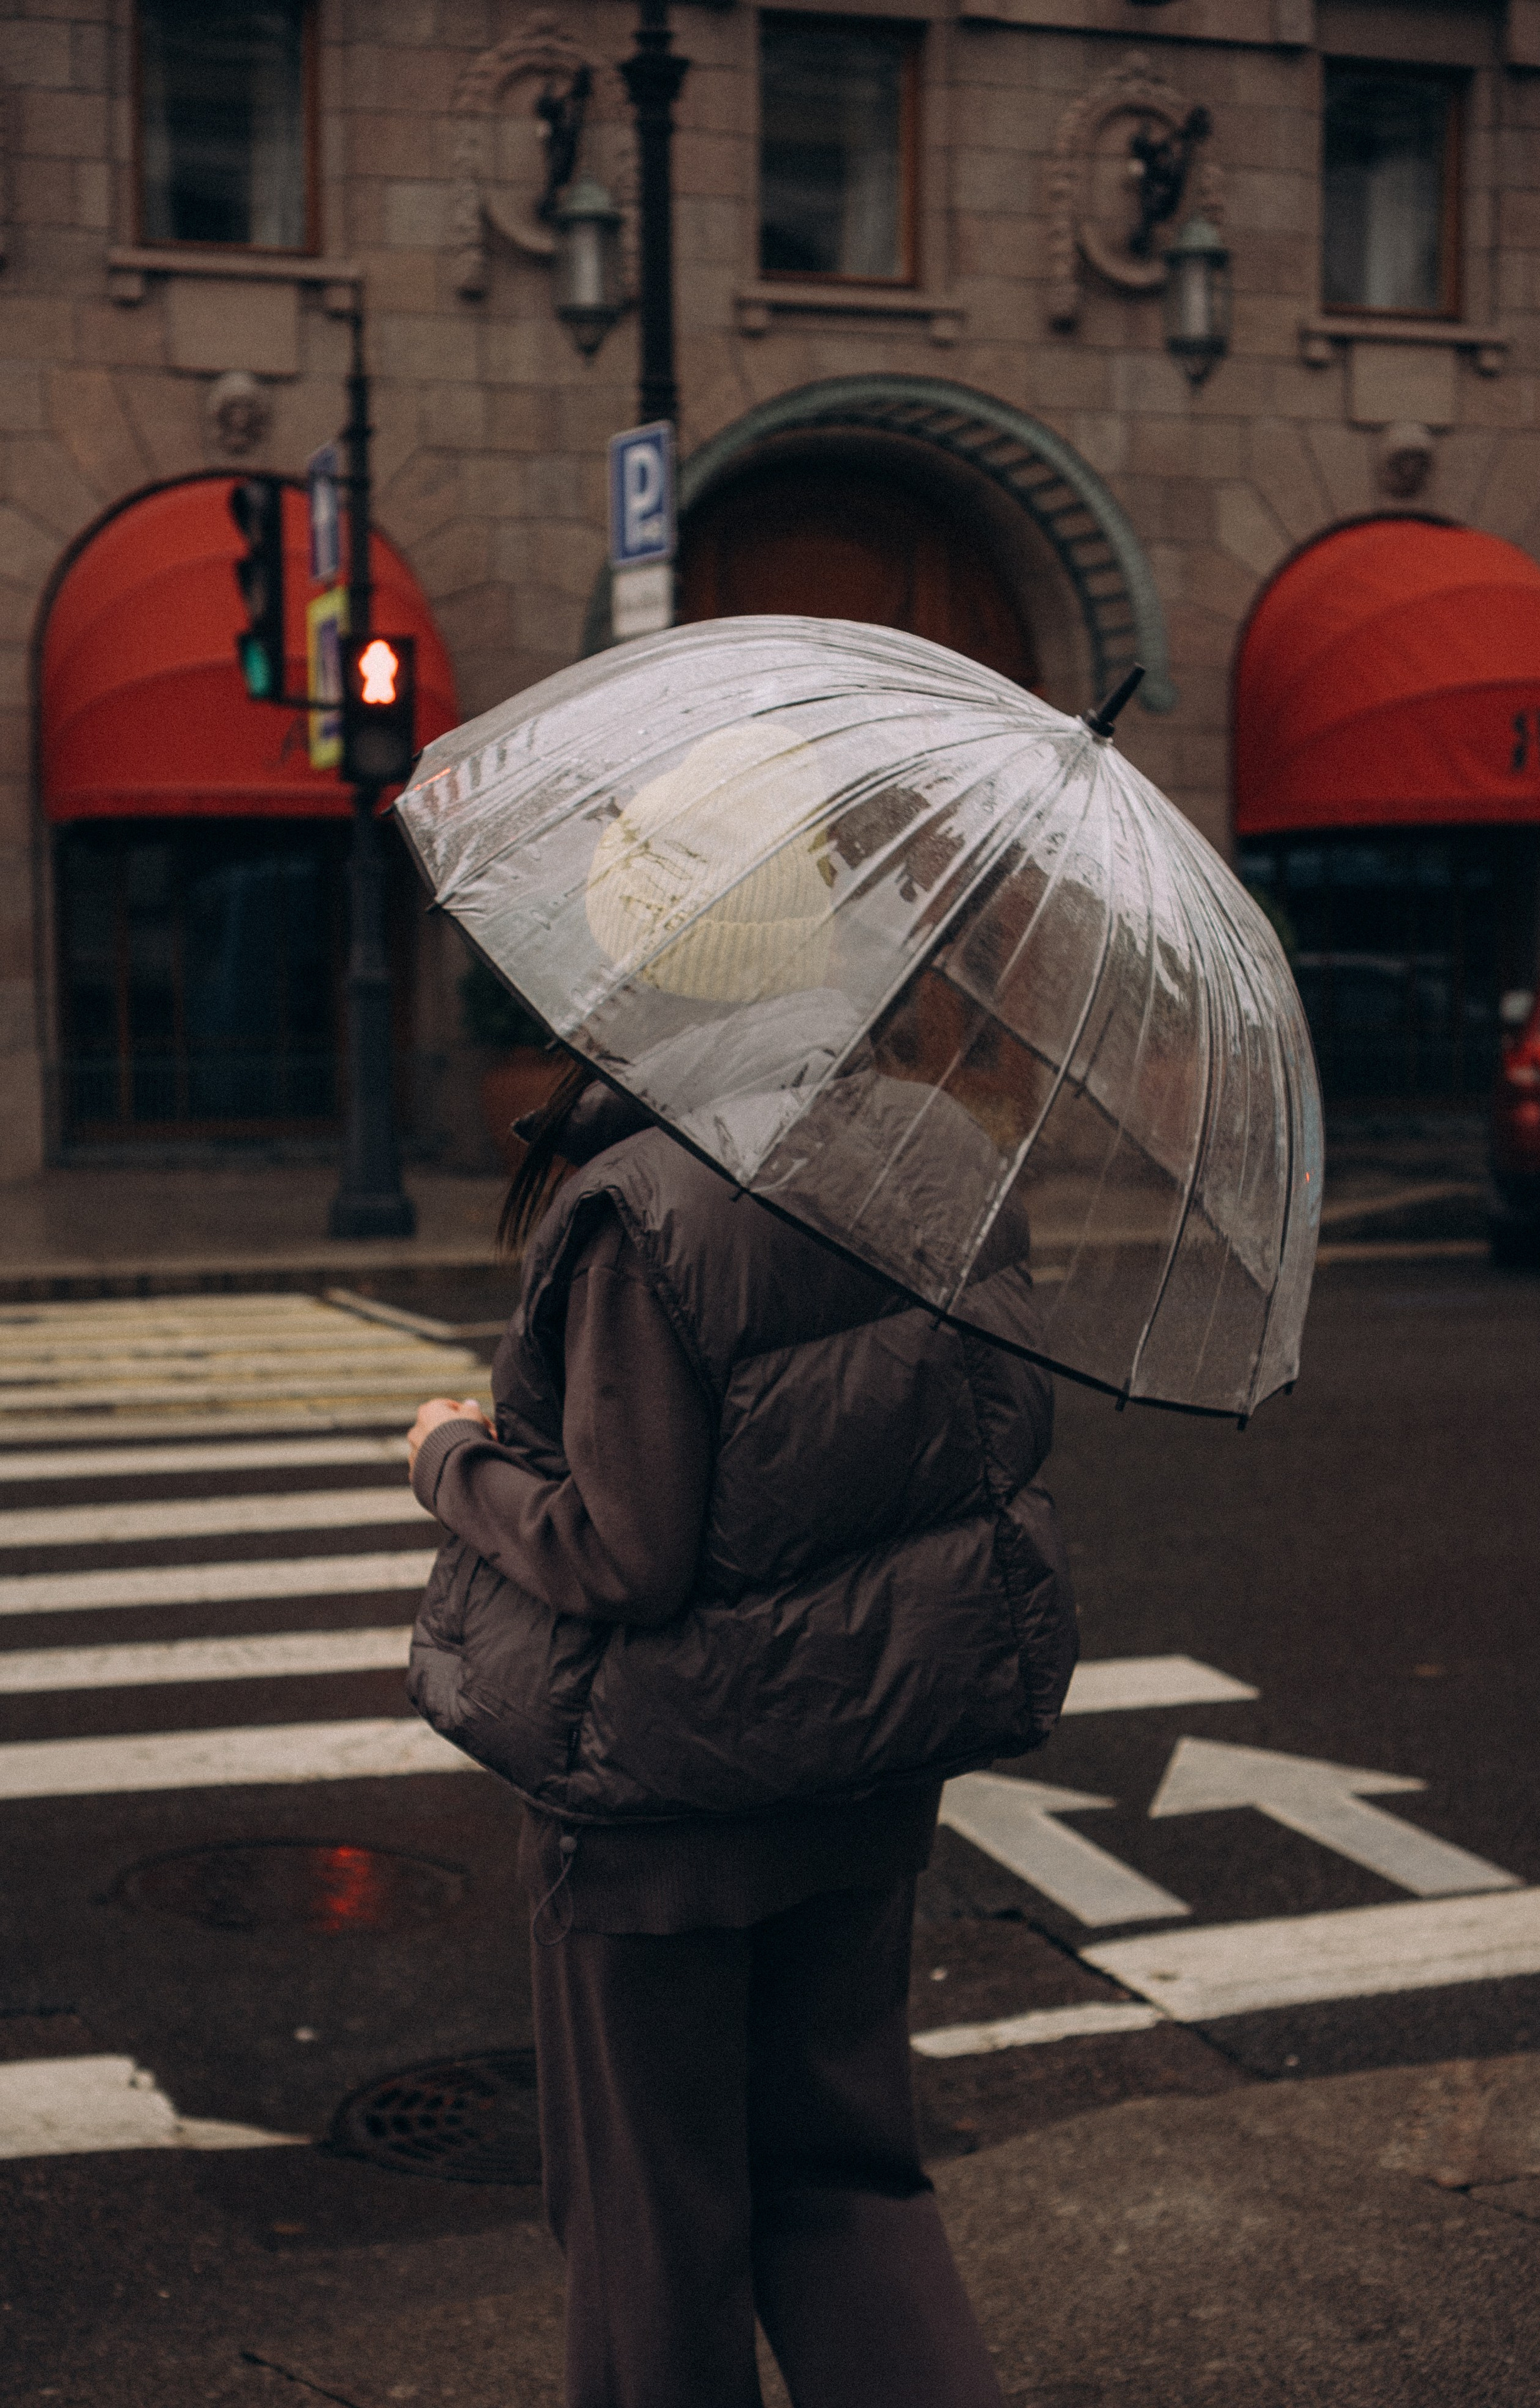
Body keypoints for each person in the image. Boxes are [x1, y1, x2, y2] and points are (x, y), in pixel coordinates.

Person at [404, 732, 1075, 2408]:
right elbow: (983, 1446)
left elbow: (617, 1553)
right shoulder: (933, 1154)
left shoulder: (648, 1205)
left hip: (665, 1813)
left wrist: (449, 1463)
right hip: (863, 1769)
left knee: (650, 2221)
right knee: (851, 2177)